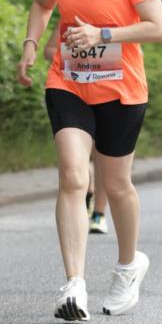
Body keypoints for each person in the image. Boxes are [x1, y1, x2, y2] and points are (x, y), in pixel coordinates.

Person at [17, 0, 162, 323]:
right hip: (69, 81)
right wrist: (32, 42)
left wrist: (104, 35)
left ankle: (127, 268)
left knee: (116, 185)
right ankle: (74, 285)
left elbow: (157, 28)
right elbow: (43, 3)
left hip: (122, 88)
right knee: (71, 175)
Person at [44, 23, 109, 234]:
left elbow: (135, 57)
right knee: (79, 157)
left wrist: (105, 58)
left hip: (110, 96)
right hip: (76, 94)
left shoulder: (119, 21)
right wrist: (79, 57)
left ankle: (99, 214)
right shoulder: (70, 19)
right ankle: (87, 191)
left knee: (104, 157)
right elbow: (50, 51)